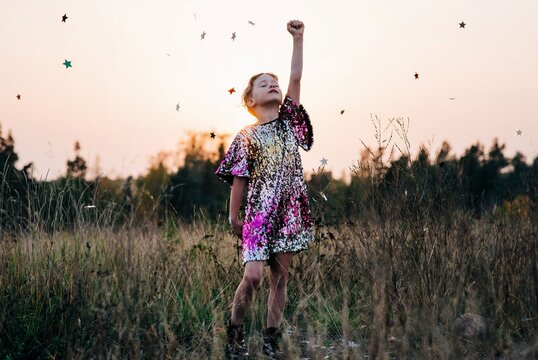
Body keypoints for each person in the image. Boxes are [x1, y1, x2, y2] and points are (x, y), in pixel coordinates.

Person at [215, 19, 314, 360]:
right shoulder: (247, 135)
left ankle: (271, 341)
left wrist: (298, 39)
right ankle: (235, 335)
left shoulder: (288, 120)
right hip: (257, 214)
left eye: (274, 83)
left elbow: (296, 78)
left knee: (280, 278)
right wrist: (233, 217)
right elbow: (239, 178)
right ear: (251, 100)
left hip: (289, 211)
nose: (272, 85)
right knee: (254, 276)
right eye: (263, 84)